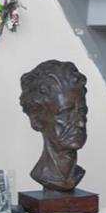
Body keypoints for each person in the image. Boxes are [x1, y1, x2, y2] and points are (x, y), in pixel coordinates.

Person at [19, 60, 89, 192]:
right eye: (65, 114)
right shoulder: (43, 174)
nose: (80, 123)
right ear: (36, 119)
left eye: (82, 112)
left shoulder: (76, 174)